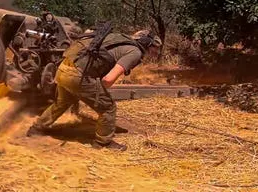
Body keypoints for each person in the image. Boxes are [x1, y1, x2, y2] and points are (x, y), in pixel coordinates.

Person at [26, 29, 162, 151]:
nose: (156, 52)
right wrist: (96, 93)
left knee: (62, 103)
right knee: (108, 108)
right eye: (154, 48)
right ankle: (103, 142)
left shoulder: (117, 38)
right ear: (146, 43)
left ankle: (36, 128)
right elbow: (108, 80)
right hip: (77, 75)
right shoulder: (135, 52)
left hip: (63, 68)